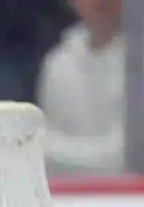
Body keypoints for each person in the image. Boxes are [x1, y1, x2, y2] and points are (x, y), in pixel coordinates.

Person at [37, 0, 125, 175]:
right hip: (70, 196)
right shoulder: (58, 62)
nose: (100, 2)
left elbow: (125, 155)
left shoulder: (136, 63)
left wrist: (48, 148)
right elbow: (42, 157)